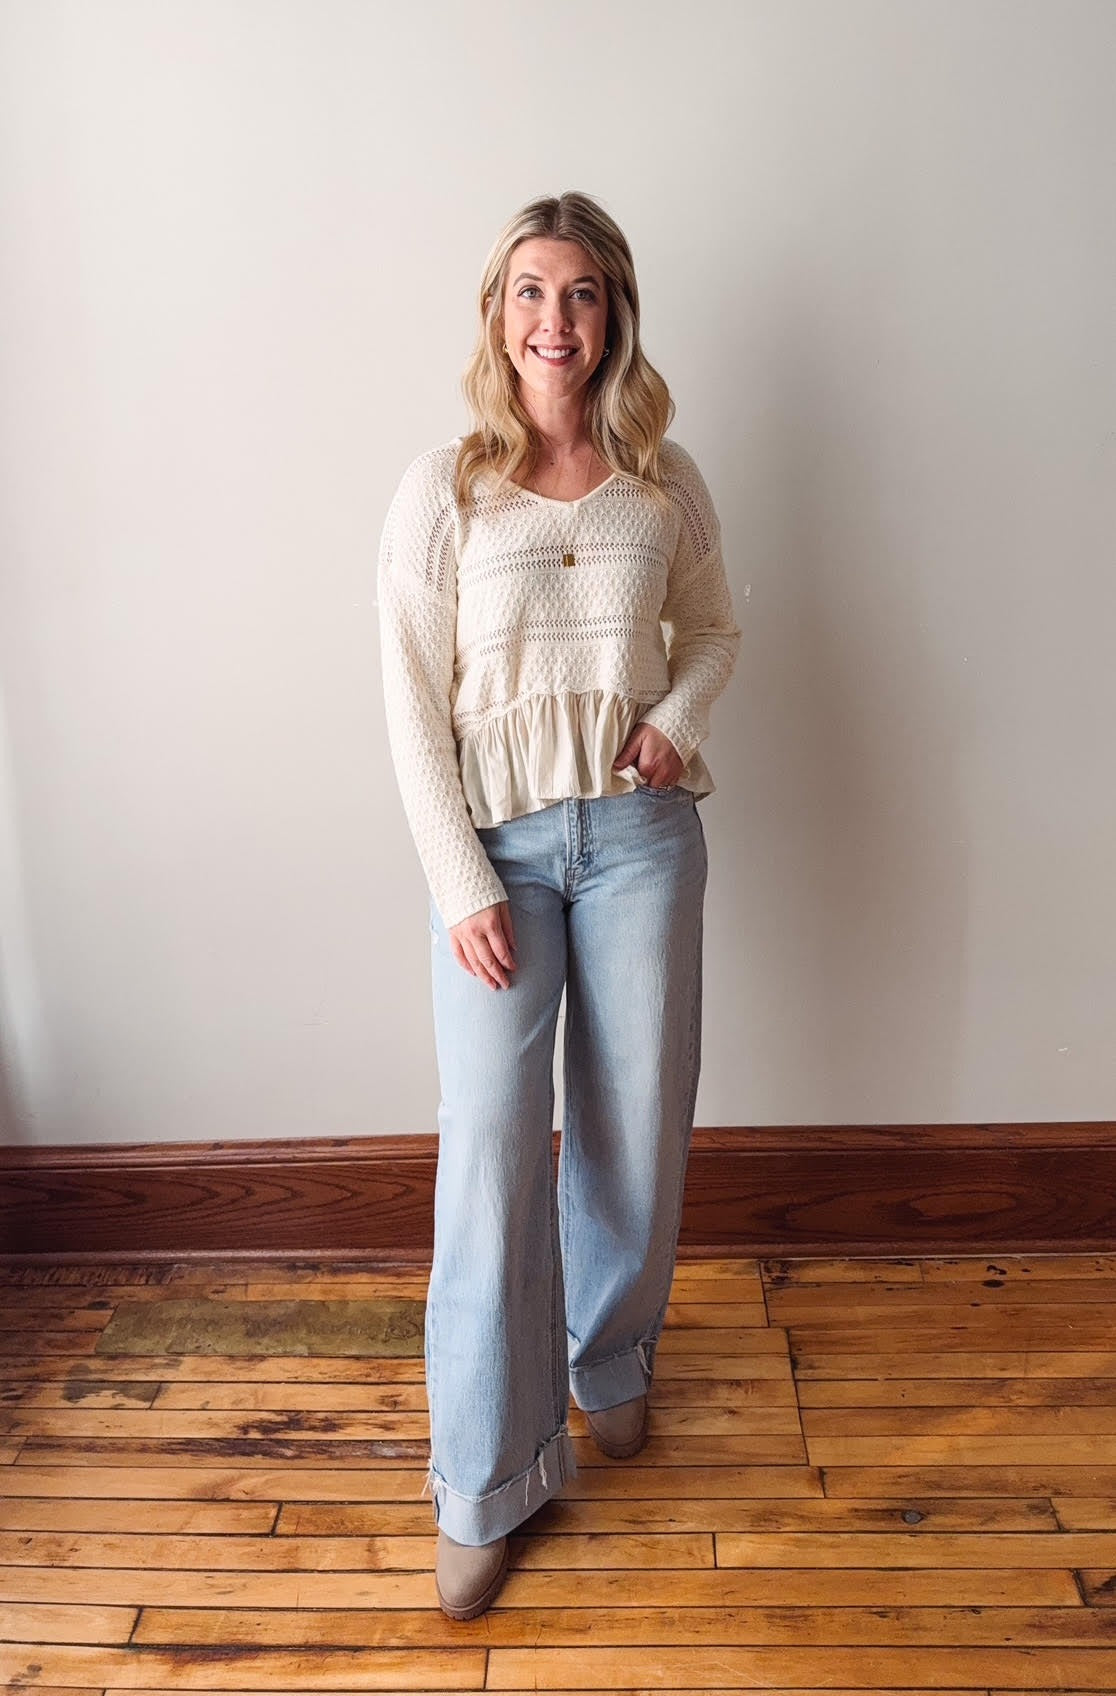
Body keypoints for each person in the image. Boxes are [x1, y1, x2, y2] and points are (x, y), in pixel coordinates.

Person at [377, 190, 741, 1620]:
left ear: (615, 315)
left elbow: (714, 626)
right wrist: (462, 877)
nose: (556, 321)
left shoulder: (666, 477)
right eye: (531, 291)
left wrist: (676, 720)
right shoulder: (443, 489)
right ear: (497, 314)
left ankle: (610, 1363)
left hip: (644, 836)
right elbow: (410, 704)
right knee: (485, 1157)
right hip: (501, 858)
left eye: (582, 293)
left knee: (636, 1125)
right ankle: (488, 1474)